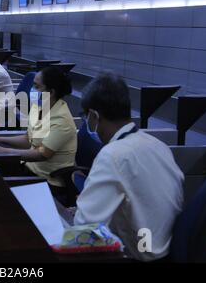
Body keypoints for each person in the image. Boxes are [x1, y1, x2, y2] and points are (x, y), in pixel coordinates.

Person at [73, 73, 184, 262]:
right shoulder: (157, 145)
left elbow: (84, 228)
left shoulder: (113, 155)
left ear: (94, 115)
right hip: (164, 248)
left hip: (140, 255)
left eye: (85, 117)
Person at [0, 67, 77, 206]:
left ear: (51, 92)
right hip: (28, 169)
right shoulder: (39, 107)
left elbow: (41, 154)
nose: (32, 90)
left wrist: (1, 151)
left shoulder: (61, 120)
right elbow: (28, 139)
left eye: (36, 86)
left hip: (47, 181)